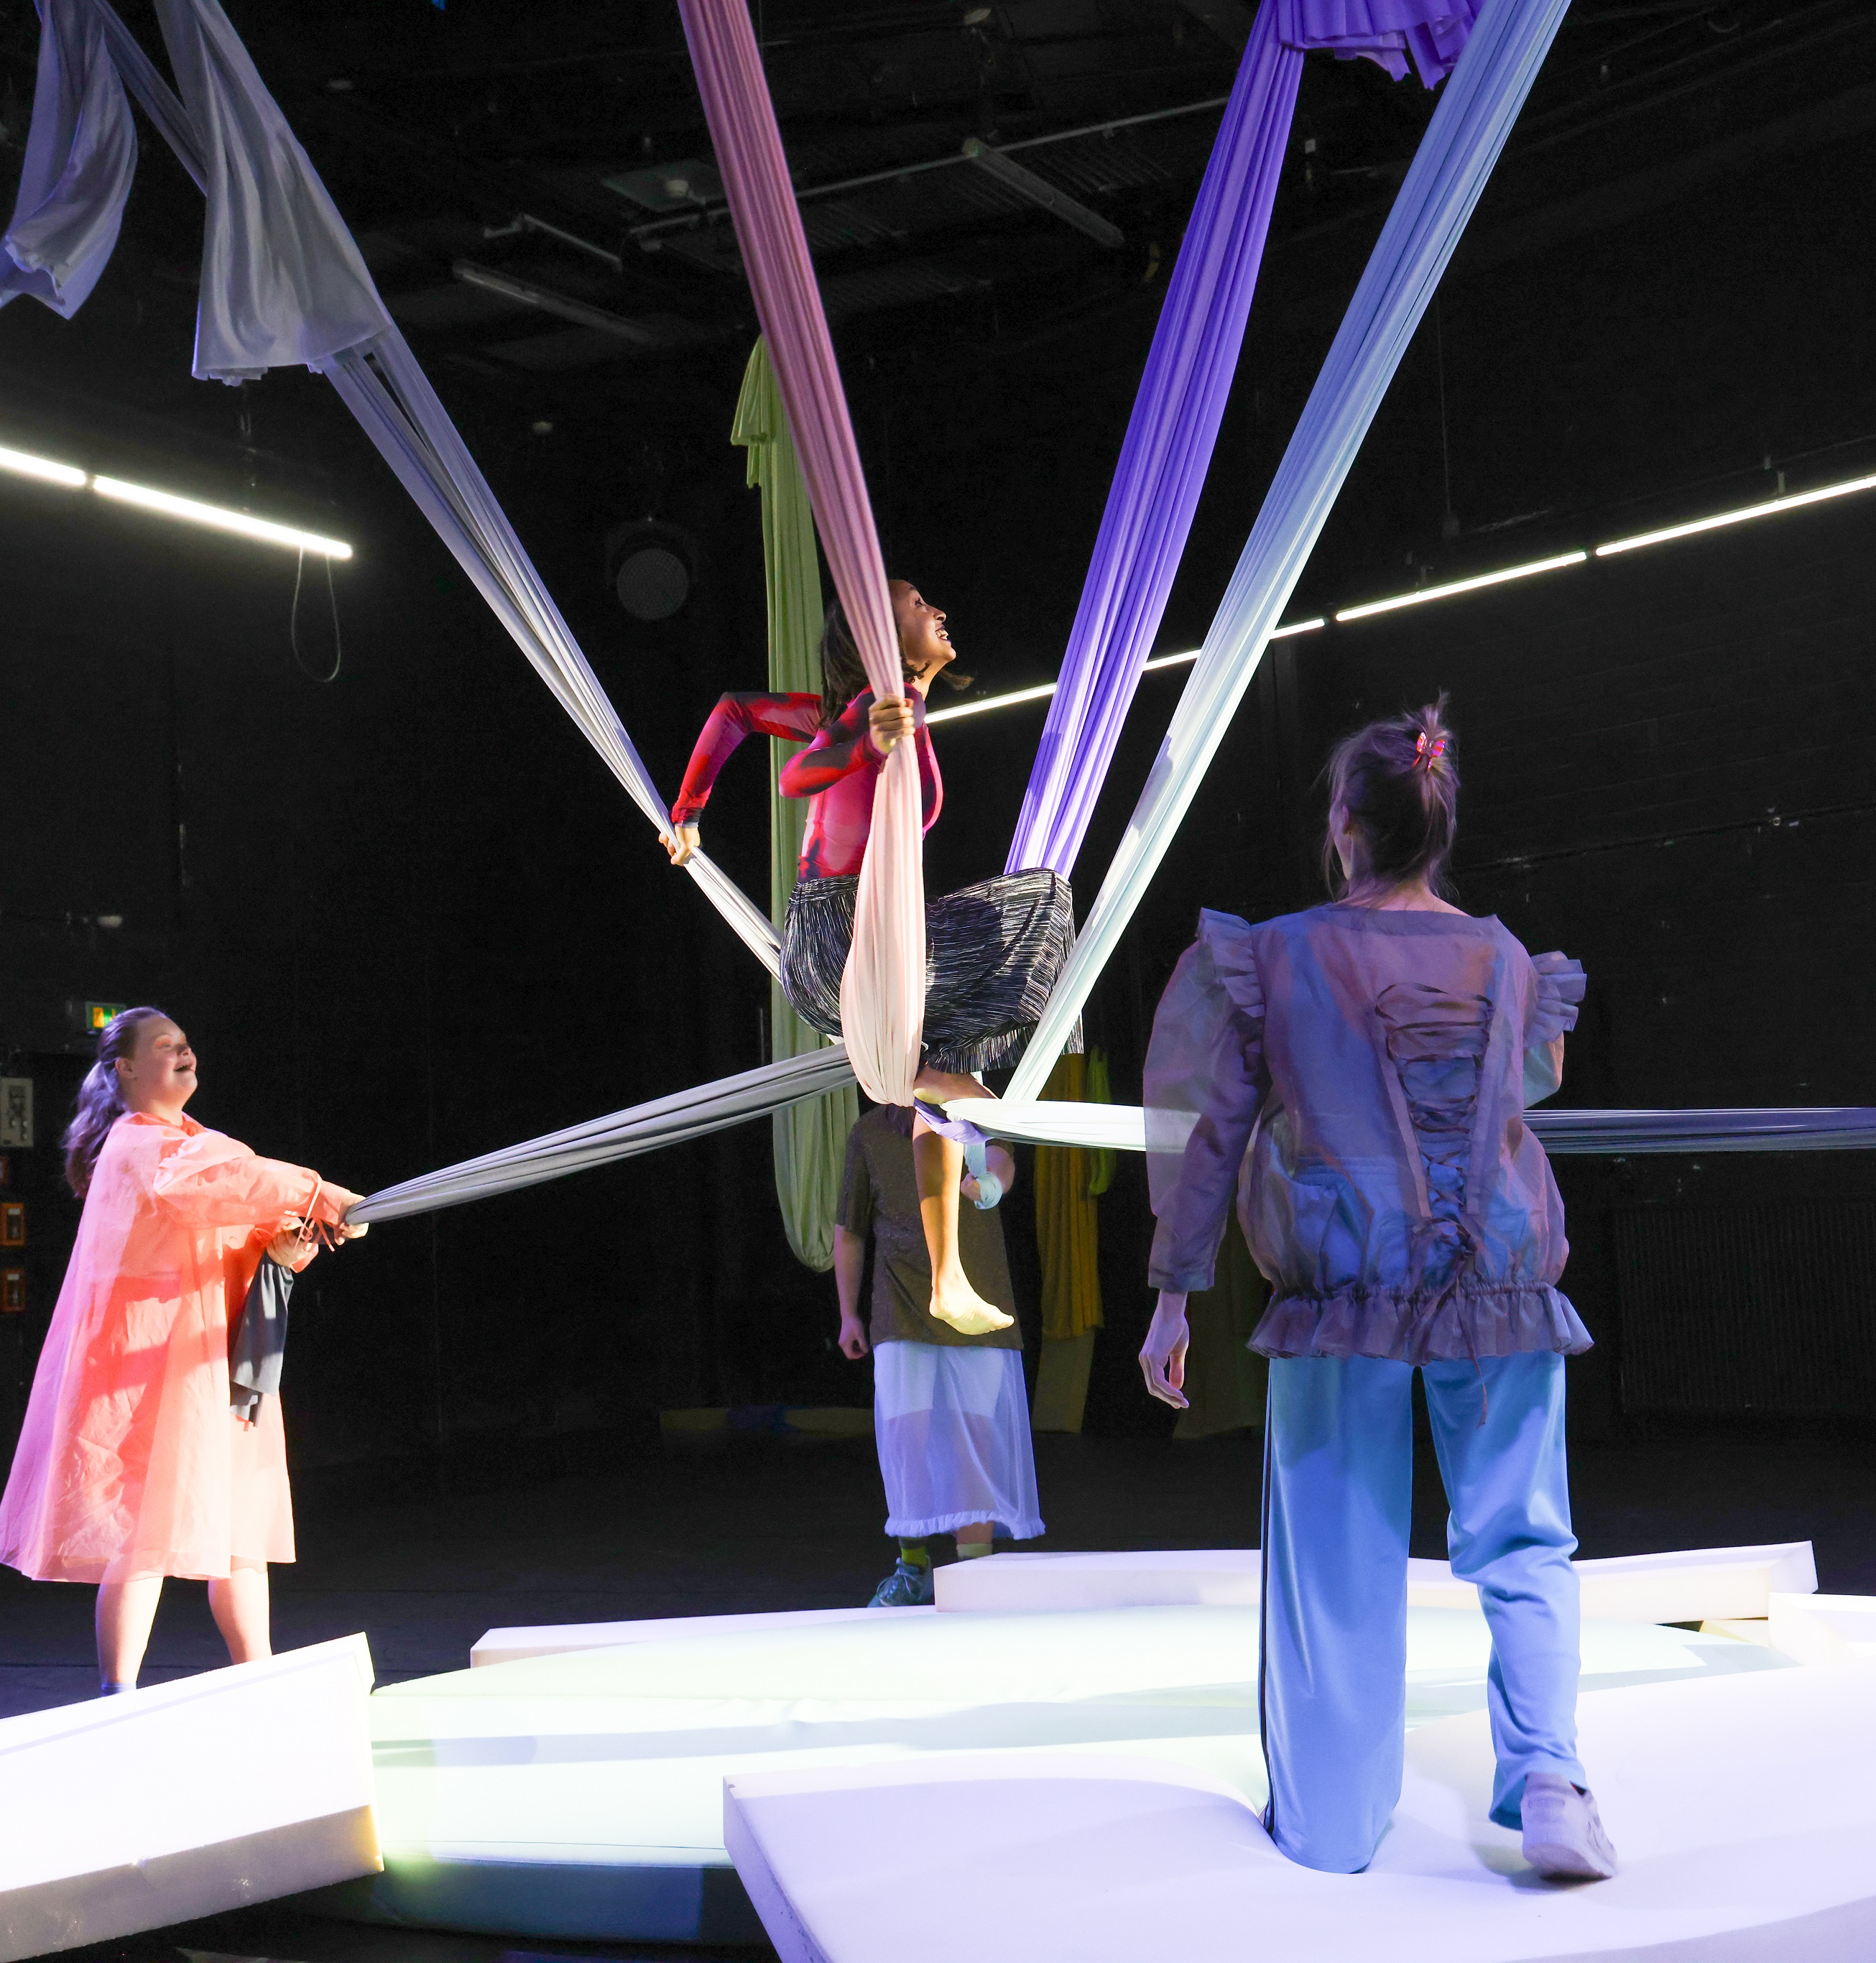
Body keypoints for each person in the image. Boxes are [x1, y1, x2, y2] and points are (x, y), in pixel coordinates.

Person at [1135, 702, 1614, 1883]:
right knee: (1524, 1538)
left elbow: (1213, 1133)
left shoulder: (1275, 955)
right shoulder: (1504, 956)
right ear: (1435, 827)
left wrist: (1175, 1290)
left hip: (1345, 1283)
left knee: (1338, 1559)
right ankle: (1550, 1777)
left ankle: (1333, 1827)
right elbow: (1530, 1082)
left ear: (1345, 823)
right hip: (1500, 1276)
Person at [663, 578, 1072, 1336]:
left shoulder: (868, 708)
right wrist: (867, 743)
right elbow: (796, 777)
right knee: (1041, 903)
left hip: (842, 956)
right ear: (877, 639)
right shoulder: (877, 708)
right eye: (917, 606)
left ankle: (948, 1270)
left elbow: (735, 711)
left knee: (946, 1059)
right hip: (843, 941)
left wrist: (689, 811)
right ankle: (954, 1102)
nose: (938, 610)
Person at [0, 1007, 366, 1696]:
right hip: (151, 1369)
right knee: (141, 1529)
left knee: (238, 1528)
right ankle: (119, 1692)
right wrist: (318, 1193)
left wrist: (286, 1247)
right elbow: (215, 1189)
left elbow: (238, 1225)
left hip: (211, 1361)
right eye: (166, 1046)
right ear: (126, 1068)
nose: (184, 1053)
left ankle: (258, 1679)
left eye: (186, 1044)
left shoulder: (204, 1146)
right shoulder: (140, 1145)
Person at [832, 1098, 1043, 1607]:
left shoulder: (973, 1109)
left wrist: (990, 1185)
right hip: (902, 1306)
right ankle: (913, 1566)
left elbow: (1001, 1158)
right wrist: (849, 1314)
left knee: (975, 1437)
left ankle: (973, 1570)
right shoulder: (871, 1132)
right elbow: (850, 1230)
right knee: (907, 1437)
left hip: (978, 1304)